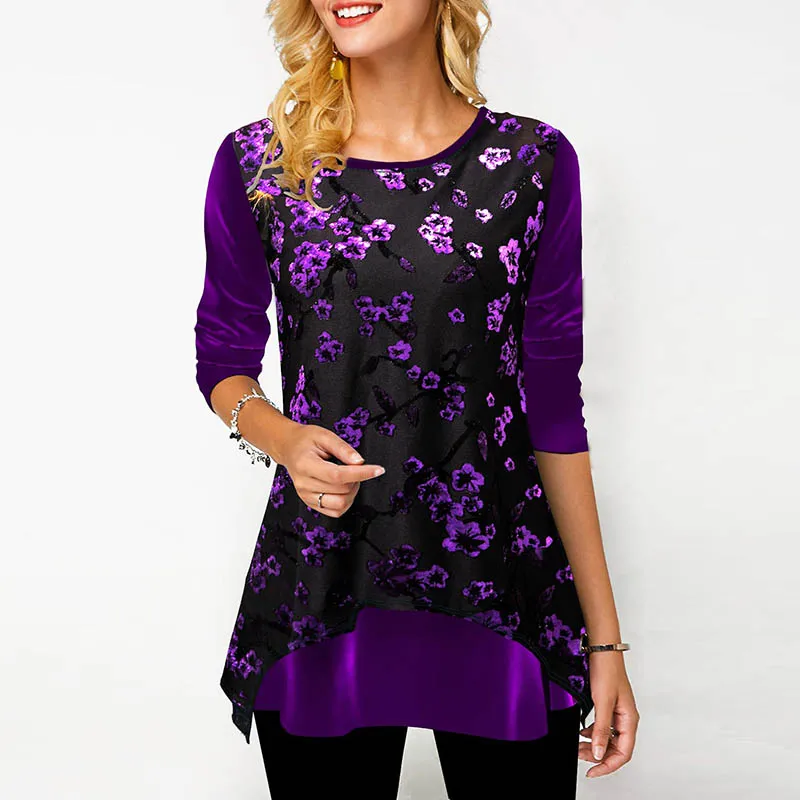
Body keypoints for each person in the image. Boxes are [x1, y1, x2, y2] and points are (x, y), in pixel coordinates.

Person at [194, 0, 640, 797]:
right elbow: (224, 359)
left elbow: (552, 403)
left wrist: (603, 643)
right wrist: (282, 439)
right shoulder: (264, 164)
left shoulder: (532, 163)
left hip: (499, 586)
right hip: (324, 585)